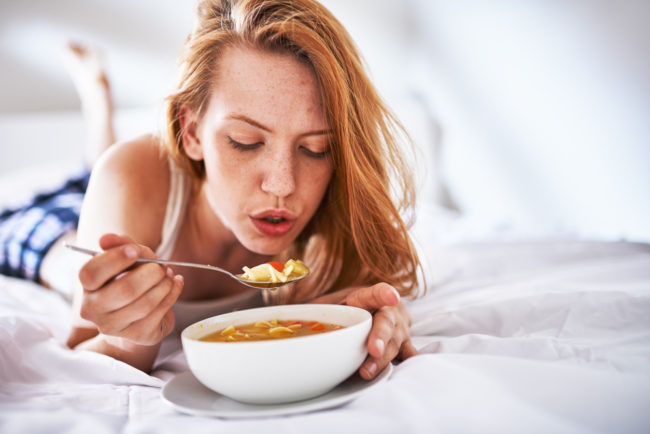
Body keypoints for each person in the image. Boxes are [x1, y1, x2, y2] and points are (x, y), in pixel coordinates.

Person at [5, 0, 424, 379]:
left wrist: (365, 318)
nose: (282, 184)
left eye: (316, 148)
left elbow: (359, 301)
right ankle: (96, 96)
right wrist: (125, 339)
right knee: (85, 189)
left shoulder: (339, 206)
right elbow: (83, 344)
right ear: (191, 132)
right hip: (53, 230)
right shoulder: (132, 175)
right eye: (245, 141)